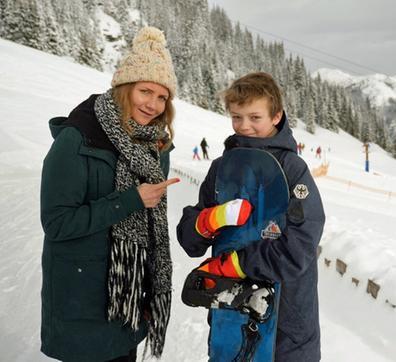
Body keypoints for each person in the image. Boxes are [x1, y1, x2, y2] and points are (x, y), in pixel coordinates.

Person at [40, 27, 179, 362]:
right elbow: (57, 223)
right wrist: (132, 200)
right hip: (84, 300)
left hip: (128, 302)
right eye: (145, 91)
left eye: (162, 97)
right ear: (124, 88)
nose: (154, 104)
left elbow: (147, 229)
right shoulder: (77, 139)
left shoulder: (154, 144)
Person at [176, 72, 325, 361]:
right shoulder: (222, 169)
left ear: (276, 116)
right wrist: (207, 221)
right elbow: (190, 242)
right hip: (231, 310)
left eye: (255, 117)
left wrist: (236, 264)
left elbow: (300, 245)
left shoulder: (292, 170)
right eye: (236, 117)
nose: (245, 127)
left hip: (287, 322)